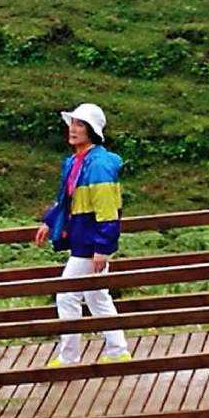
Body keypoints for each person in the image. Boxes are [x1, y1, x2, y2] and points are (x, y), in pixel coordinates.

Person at [31, 103, 129, 366]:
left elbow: (108, 210)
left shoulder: (98, 165)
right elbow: (67, 201)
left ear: (91, 131)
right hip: (84, 239)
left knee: (67, 295)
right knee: (97, 296)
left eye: (80, 125)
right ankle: (117, 350)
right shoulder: (76, 162)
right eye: (73, 123)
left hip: (89, 242)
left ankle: (70, 356)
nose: (73, 129)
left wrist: (102, 247)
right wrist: (49, 222)